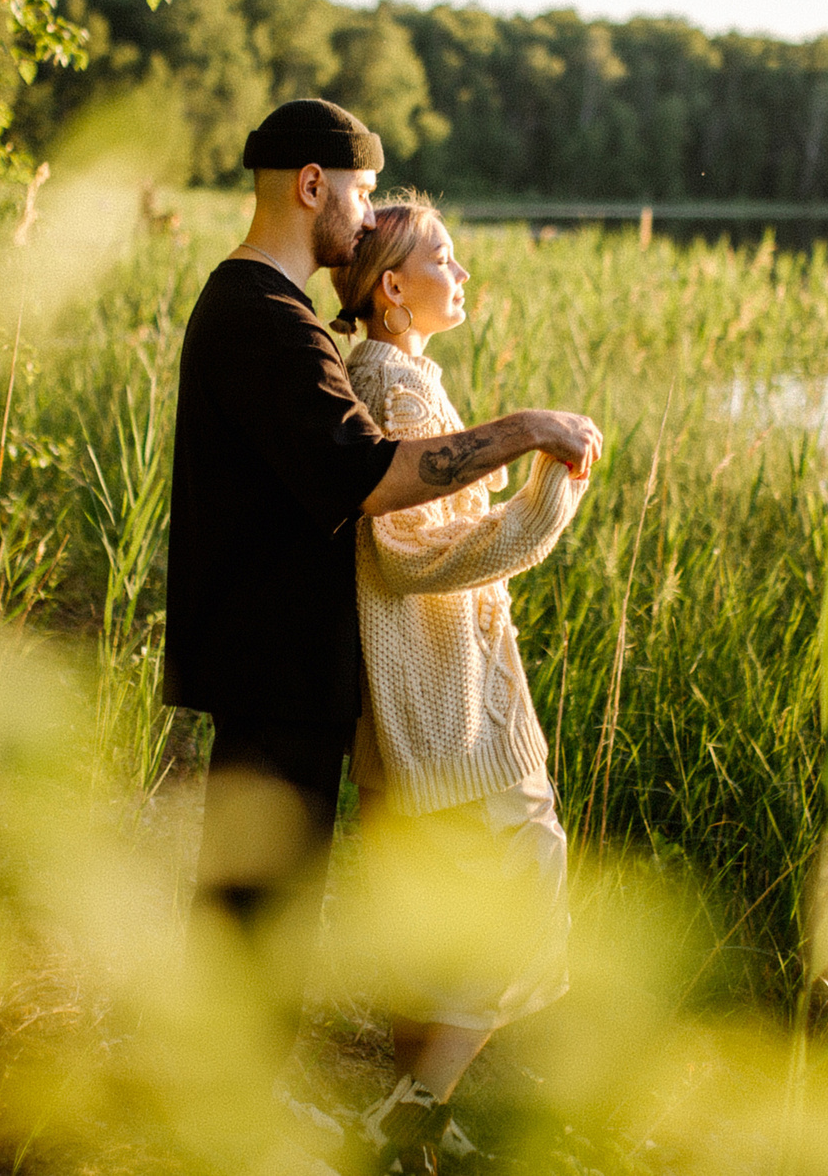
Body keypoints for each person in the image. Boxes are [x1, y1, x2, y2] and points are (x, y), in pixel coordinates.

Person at [165, 101, 602, 1090]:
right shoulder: (262, 319)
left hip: (287, 671)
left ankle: (235, 1115)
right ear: (313, 184)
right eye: (359, 194)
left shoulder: (277, 318)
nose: (364, 221)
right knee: (255, 917)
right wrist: (527, 431)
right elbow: (369, 481)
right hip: (271, 667)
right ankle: (220, 1125)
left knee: (265, 910)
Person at [328, 195, 590, 1174]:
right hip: (450, 717)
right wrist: (547, 491)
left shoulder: (389, 377)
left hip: (416, 715)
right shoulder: (393, 383)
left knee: (429, 940)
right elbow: (408, 554)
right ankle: (406, 1116)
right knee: (521, 910)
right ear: (393, 286)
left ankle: (413, 1140)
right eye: (445, 257)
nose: (463, 272)